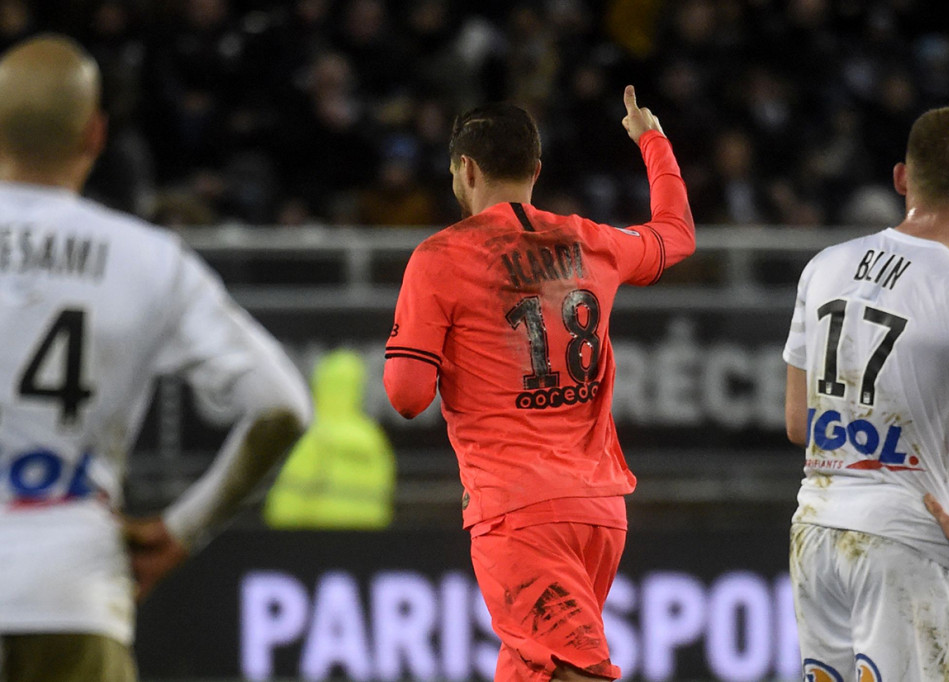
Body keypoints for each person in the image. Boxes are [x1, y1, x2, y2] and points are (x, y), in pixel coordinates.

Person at [0, 35, 311, 682]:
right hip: (72, 587)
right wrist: (183, 529)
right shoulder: (149, 259)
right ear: (95, 133)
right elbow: (281, 405)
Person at [384, 86, 696, 682]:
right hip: (600, 511)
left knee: (575, 672)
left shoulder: (441, 258)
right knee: (530, 670)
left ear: (465, 169)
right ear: (536, 169)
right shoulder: (592, 241)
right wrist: (652, 140)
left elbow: (406, 394)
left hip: (518, 512)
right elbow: (675, 234)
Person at [783, 105, 949, 681]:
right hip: (904, 538)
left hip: (816, 528)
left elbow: (797, 422)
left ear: (901, 178)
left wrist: (927, 458)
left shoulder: (825, 266)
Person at [264, 349, 396, 529]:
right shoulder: (371, 438)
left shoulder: (317, 436)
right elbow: (385, 489)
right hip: (367, 532)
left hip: (320, 533)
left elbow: (288, 501)